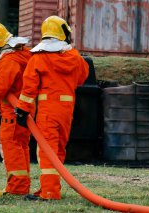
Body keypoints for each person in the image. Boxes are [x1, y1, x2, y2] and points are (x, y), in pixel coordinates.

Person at [15, 16, 89, 200]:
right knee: (58, 151)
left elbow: (29, 87)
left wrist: (22, 109)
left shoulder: (39, 58)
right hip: (66, 111)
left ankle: (49, 192)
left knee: (47, 152)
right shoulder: (75, 57)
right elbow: (82, 78)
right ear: (64, 33)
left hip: (48, 110)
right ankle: (49, 187)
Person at [0, 22, 34, 197]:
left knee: (11, 148)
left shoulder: (9, 59)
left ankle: (16, 189)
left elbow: (0, 90)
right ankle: (21, 186)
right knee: (21, 147)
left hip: (12, 113)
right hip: (25, 111)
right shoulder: (23, 54)